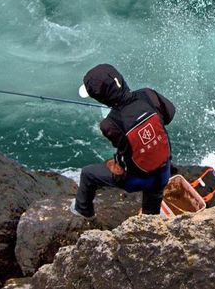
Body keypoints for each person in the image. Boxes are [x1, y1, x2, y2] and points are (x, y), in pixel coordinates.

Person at [70, 63, 176, 218]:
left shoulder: (109, 124)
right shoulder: (148, 95)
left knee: (87, 174)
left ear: (101, 98)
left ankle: (83, 210)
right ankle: (150, 218)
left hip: (137, 180)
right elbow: (170, 113)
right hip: (164, 171)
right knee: (154, 196)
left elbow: (124, 147)